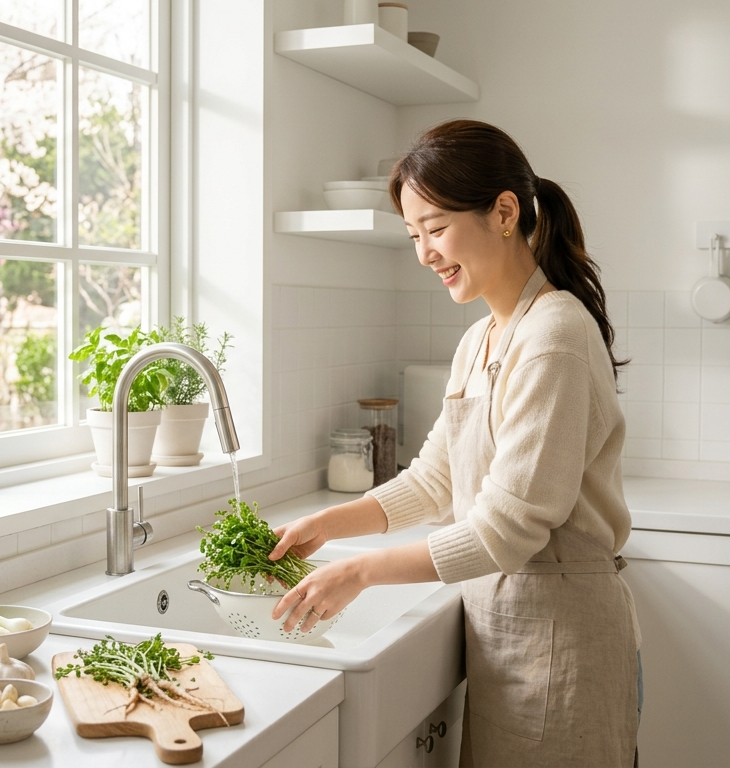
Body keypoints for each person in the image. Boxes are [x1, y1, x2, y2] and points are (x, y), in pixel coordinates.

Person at [268, 119, 640, 767]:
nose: (423, 254)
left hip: (562, 642)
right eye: (413, 235)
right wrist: (327, 525)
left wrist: (360, 572)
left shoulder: (553, 335)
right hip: (506, 631)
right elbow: (433, 480)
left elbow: (507, 529)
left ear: (504, 213)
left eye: (435, 229)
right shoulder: (480, 339)